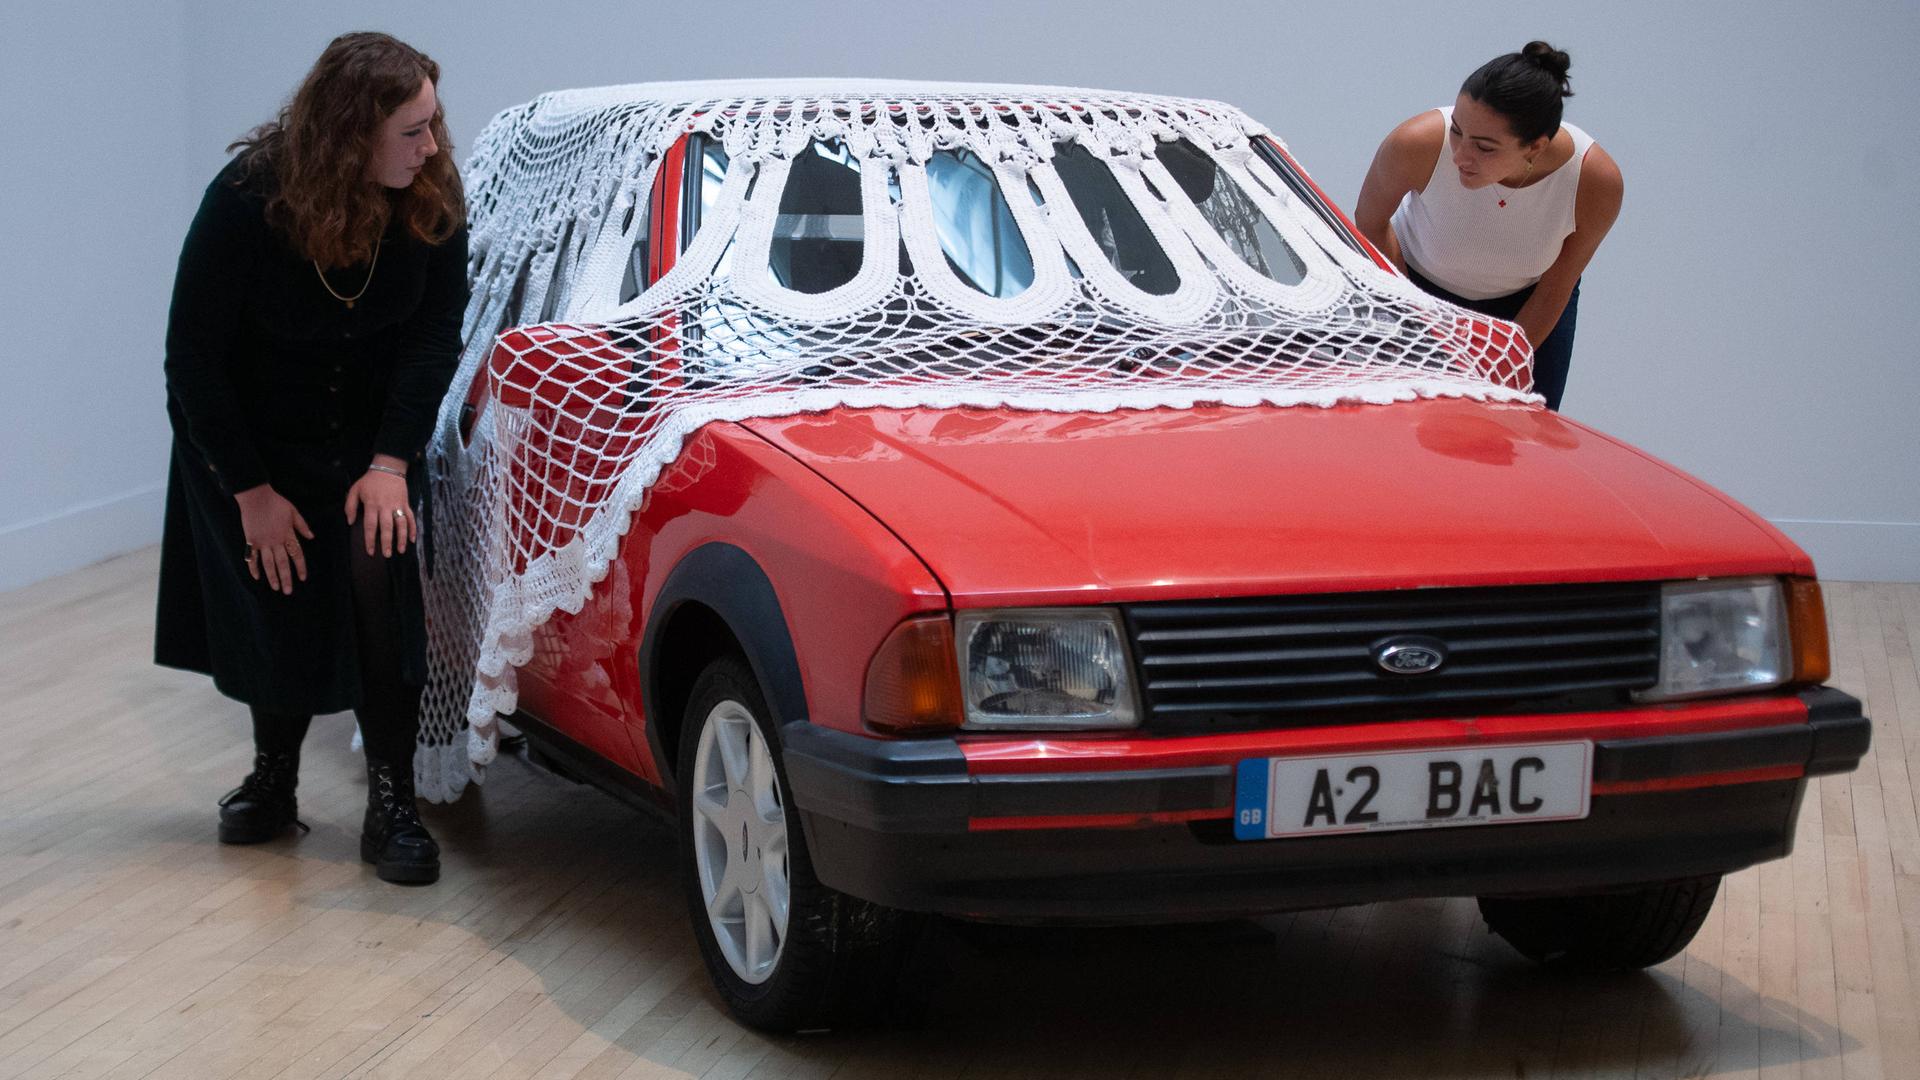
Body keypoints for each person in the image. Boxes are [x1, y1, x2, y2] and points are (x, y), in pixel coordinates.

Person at [155, 32, 469, 885]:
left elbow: (437, 336)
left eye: (433, 123)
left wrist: (392, 461)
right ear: (349, 134)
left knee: (380, 566)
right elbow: (192, 360)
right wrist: (250, 491)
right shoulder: (246, 200)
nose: (433, 146)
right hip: (253, 440)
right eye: (412, 130)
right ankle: (274, 773)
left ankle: (391, 802)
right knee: (277, 581)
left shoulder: (430, 194)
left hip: (374, 441)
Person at [1355, 41, 1622, 411]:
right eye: (1457, 131)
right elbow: (1369, 223)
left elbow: (1558, 286)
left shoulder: (1595, 181)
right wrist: (1418, 322)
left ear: (1535, 147)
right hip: (1408, 283)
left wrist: (1498, 360)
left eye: (1484, 147)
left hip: (1528, 305)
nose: (1460, 155)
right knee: (1392, 425)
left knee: (1513, 442)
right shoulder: (1416, 142)